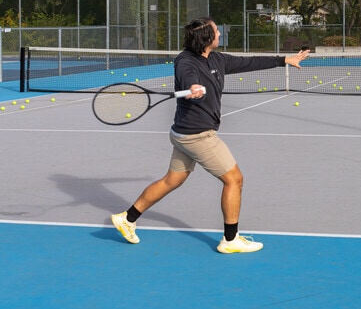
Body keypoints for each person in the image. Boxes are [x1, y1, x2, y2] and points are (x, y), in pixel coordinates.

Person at [111, 16, 309, 253]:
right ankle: (230, 239)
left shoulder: (217, 59)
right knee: (234, 179)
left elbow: (249, 62)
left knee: (171, 181)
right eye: (216, 31)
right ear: (207, 37)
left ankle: (127, 218)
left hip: (182, 132)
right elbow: (188, 78)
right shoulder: (185, 62)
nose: (219, 34)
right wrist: (193, 88)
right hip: (197, 136)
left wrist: (285, 59)